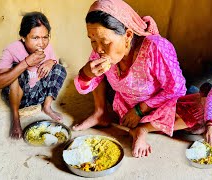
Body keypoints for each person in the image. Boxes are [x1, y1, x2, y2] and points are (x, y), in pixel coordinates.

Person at [73, 0, 204, 158]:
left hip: (156, 104)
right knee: (98, 74)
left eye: (105, 42)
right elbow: (86, 83)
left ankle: (144, 128)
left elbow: (176, 88)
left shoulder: (155, 48)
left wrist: (139, 110)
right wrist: (87, 72)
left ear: (128, 35)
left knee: (200, 108)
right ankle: (100, 113)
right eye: (92, 40)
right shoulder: (100, 52)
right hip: (124, 102)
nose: (98, 49)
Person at [0, 12, 67, 139]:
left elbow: (53, 62)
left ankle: (47, 107)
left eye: (45, 37)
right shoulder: (11, 50)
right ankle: (16, 119)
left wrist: (51, 62)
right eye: (35, 38)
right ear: (23, 37)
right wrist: (26, 63)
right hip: (19, 98)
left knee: (60, 69)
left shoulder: (47, 47)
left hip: (39, 95)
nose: (41, 43)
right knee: (15, 71)